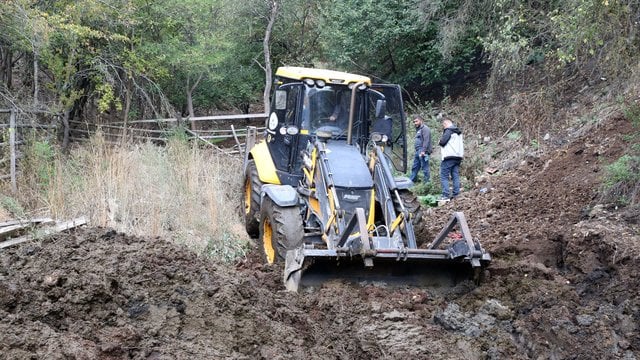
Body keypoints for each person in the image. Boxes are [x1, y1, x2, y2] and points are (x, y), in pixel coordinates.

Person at [438, 118, 464, 201]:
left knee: (444, 176)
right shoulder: (458, 132)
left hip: (449, 157)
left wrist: (439, 141)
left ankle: (445, 195)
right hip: (458, 156)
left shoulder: (448, 130)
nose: (443, 127)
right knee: (455, 176)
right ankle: (456, 194)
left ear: (446, 124)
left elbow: (443, 142)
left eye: (443, 126)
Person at [409, 116, 432, 183]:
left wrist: (423, 151)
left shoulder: (425, 129)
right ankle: (411, 181)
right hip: (418, 151)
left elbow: (426, 140)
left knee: (425, 167)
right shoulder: (419, 129)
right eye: (414, 122)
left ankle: (427, 184)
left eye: (416, 121)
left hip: (422, 151)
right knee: (415, 167)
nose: (415, 123)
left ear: (421, 121)